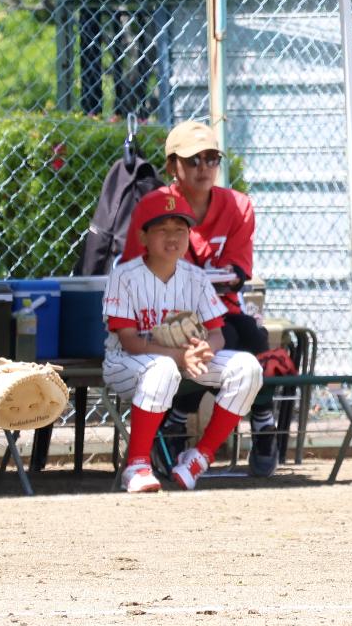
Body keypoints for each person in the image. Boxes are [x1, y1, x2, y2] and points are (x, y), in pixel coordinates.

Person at [119, 120, 281, 476]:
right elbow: (137, 271)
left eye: (211, 159)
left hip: (218, 312)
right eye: (193, 161)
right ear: (172, 167)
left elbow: (239, 269)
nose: (204, 168)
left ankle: (190, 419)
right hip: (164, 317)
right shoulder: (154, 207)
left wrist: (207, 279)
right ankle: (253, 419)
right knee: (232, 338)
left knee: (250, 336)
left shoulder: (238, 206)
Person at [103, 191, 263, 493]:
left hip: (183, 360)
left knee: (247, 367)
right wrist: (180, 356)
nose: (173, 236)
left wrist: (207, 348)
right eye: (163, 229)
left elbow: (216, 332)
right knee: (163, 368)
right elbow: (129, 342)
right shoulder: (124, 277)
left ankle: (199, 458)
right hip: (125, 364)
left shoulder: (196, 277)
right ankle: (136, 465)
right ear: (143, 236)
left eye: (180, 229)